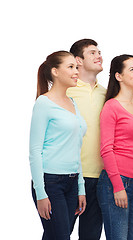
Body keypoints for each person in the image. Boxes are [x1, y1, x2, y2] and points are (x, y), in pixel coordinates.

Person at [97, 54, 133, 240]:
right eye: (132, 69)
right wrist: (117, 186)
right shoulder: (111, 107)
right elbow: (106, 149)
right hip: (116, 182)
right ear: (118, 76)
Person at [29, 51, 87, 240]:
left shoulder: (72, 102)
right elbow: (35, 151)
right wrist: (41, 193)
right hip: (50, 182)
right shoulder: (44, 103)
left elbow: (75, 147)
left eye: (76, 67)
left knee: (56, 235)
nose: (76, 71)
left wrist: (80, 188)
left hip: (71, 182)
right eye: (70, 67)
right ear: (55, 71)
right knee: (61, 236)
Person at [67, 39, 105, 240]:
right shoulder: (65, 92)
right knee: (59, 234)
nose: (99, 55)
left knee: (91, 236)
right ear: (78, 60)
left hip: (100, 178)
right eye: (92, 53)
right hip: (70, 177)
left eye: (99, 52)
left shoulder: (107, 94)